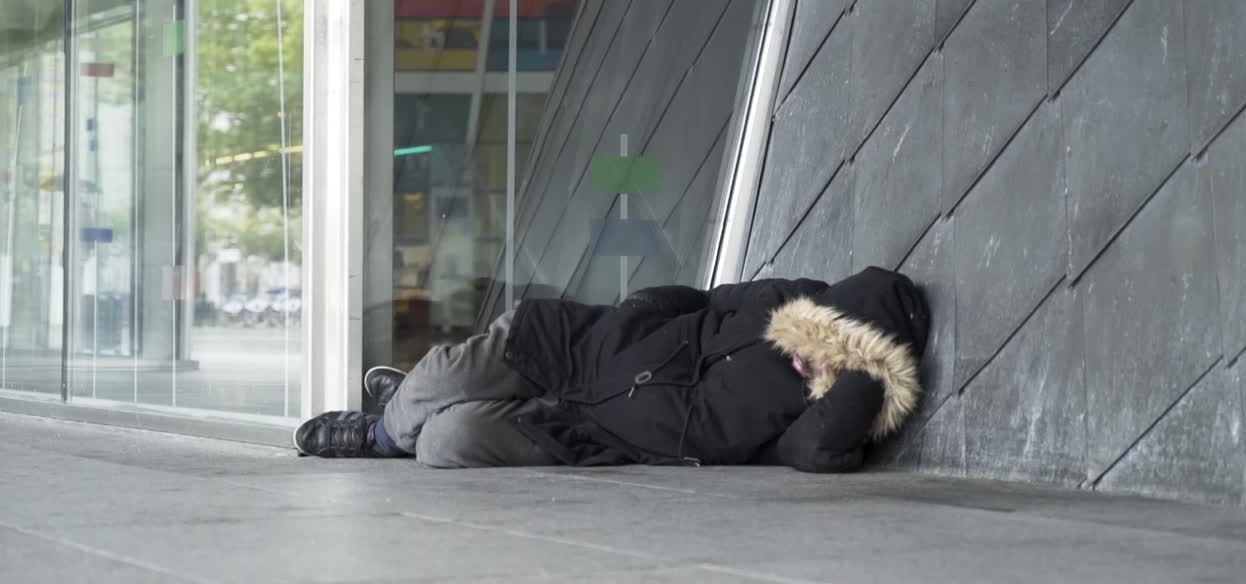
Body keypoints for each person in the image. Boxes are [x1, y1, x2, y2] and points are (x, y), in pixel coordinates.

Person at [294, 266, 930, 473]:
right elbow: (706, 298)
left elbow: (821, 448)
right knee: (444, 374)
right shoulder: (780, 301)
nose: (812, 352)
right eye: (823, 332)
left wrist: (863, 374)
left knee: (445, 444)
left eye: (837, 355)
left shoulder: (811, 419)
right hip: (587, 345)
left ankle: (407, 415)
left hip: (597, 431)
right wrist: (638, 310)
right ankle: (378, 434)